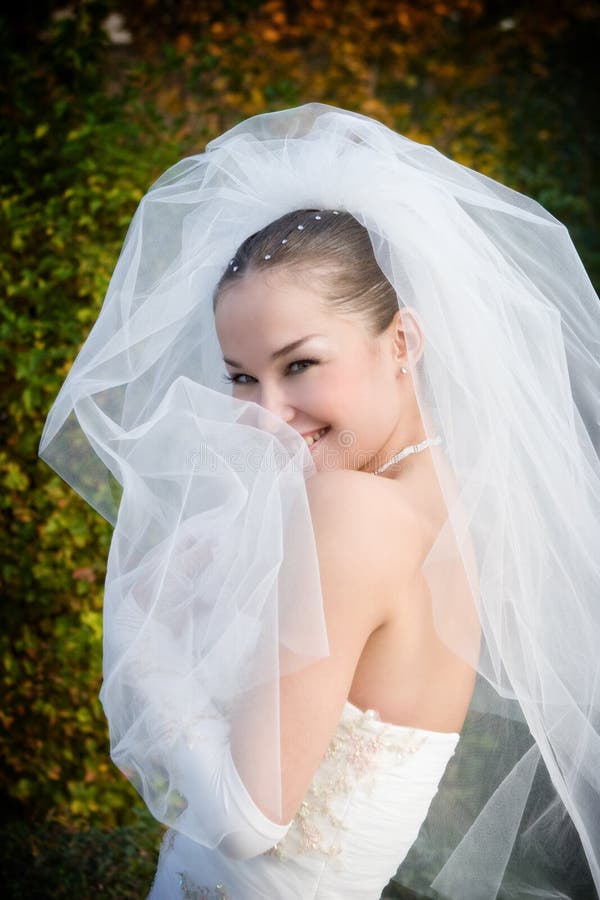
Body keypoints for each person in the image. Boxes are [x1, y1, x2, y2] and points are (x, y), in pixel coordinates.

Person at [39, 104, 600, 899]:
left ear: (402, 342)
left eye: (300, 365)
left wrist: (138, 620)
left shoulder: (349, 510)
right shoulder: (443, 503)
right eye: (241, 375)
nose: (267, 414)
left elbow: (246, 821)